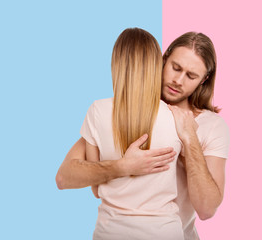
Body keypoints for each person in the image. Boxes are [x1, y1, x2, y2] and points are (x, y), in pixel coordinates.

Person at [56, 31, 230, 240]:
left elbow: (207, 209)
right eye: (175, 68)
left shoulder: (212, 126)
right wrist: (122, 166)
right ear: (162, 61)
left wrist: (189, 138)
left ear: (204, 80)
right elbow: (65, 176)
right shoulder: (121, 113)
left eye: (191, 76)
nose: (178, 80)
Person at [79, 28, 184, 239]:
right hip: (165, 232)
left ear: (116, 65)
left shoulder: (97, 111)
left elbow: (96, 187)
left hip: (112, 232)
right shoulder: (177, 116)